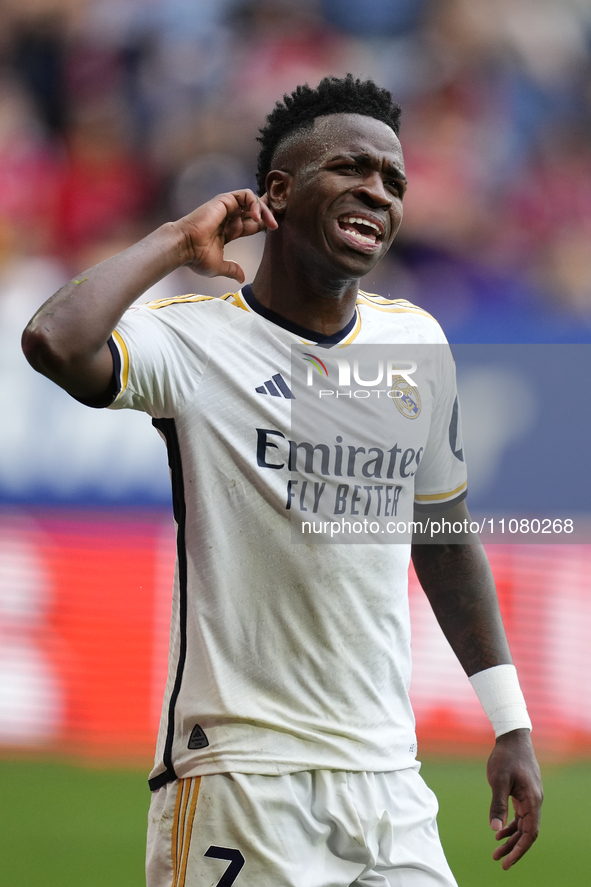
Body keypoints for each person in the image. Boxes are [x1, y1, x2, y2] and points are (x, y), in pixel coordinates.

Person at [22, 75, 542, 887]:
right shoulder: (193, 343)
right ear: (277, 191)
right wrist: (173, 239)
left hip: (387, 780)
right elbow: (54, 340)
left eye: (393, 182)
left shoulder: (415, 342)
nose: (378, 190)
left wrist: (510, 722)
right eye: (353, 168)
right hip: (240, 774)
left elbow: (442, 535)